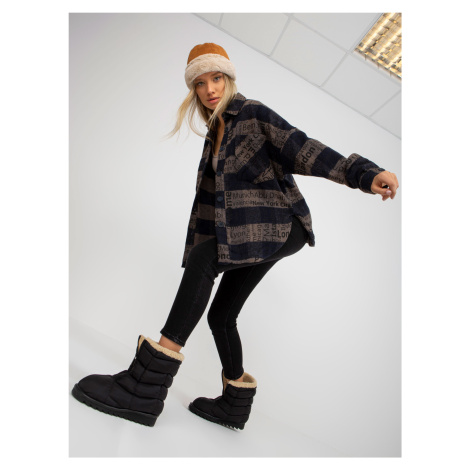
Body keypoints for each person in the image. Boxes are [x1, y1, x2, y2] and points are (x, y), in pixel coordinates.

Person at [71, 43, 399, 430]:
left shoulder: (252, 113)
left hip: (281, 221)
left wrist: (364, 175)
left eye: (216, 78)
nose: (209, 89)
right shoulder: (216, 132)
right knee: (222, 315)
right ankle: (234, 403)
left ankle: (143, 387)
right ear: (193, 90)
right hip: (257, 227)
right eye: (200, 83)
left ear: (228, 79)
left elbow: (303, 148)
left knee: (204, 259)